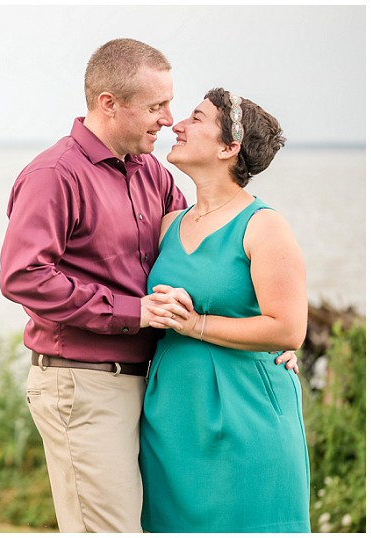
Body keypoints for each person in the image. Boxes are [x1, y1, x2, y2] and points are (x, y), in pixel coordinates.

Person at [0, 38, 187, 532]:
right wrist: (134, 311)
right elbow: (24, 276)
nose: (169, 118)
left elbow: (198, 255)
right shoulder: (53, 175)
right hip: (83, 386)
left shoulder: (153, 173)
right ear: (109, 103)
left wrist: (265, 330)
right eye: (156, 106)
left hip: (153, 381)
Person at [139, 88, 311, 532]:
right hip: (171, 420)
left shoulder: (264, 225)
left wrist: (196, 324)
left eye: (196, 119)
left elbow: (288, 328)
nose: (177, 124)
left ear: (228, 148)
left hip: (247, 416)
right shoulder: (168, 224)